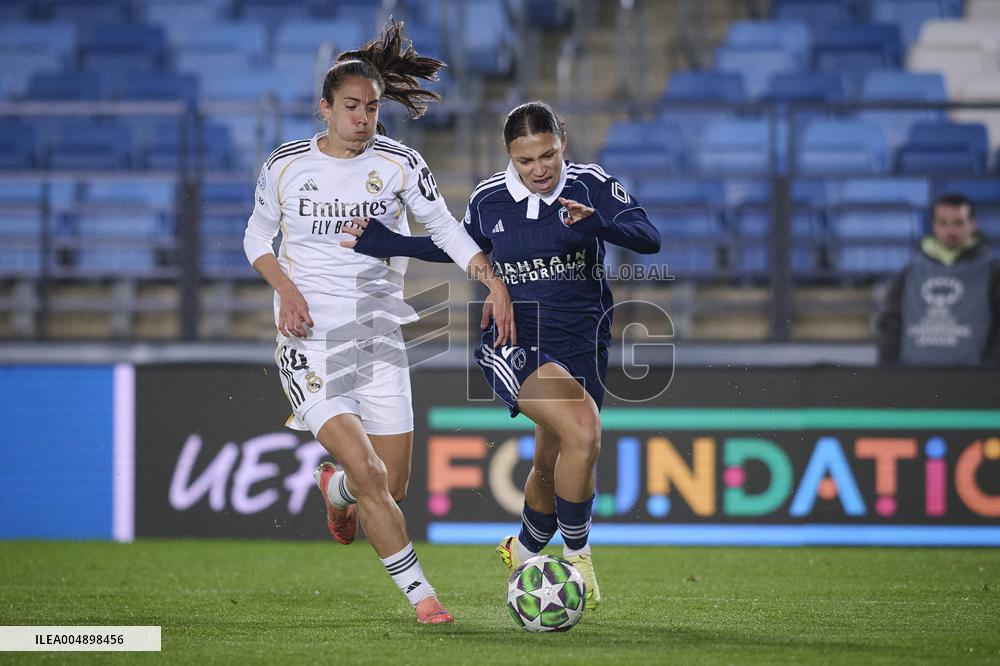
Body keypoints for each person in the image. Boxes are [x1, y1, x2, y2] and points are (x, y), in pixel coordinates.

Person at [243, 20, 514, 625]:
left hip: (379, 338)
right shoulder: (285, 166)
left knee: (387, 487)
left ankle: (336, 492)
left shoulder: (400, 163)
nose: (363, 118)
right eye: (351, 107)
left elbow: (442, 225)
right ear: (325, 109)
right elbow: (256, 237)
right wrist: (284, 290)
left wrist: (488, 275)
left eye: (371, 107)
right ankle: (426, 600)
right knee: (368, 469)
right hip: (308, 340)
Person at [341, 101, 661, 610]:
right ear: (510, 156)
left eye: (548, 155)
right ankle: (578, 558)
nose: (539, 169)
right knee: (583, 430)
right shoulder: (491, 198)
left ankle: (525, 548)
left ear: (564, 143)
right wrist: (390, 241)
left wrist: (599, 223)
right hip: (515, 338)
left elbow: (649, 239)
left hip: (585, 341)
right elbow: (459, 245)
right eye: (526, 160)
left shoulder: (591, 185)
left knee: (554, 459)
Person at [877, 193, 1000, 366]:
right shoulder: (910, 270)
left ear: (972, 224)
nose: (951, 230)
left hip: (973, 380)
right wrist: (888, 371)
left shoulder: (993, 271)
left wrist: (991, 368)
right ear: (934, 225)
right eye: (943, 223)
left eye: (958, 222)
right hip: (914, 377)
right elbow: (890, 322)